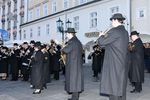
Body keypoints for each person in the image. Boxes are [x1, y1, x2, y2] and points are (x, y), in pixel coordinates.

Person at [98, 13, 129, 100]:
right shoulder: (125, 32)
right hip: (121, 63)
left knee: (113, 88)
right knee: (121, 88)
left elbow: (101, 42)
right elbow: (113, 44)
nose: (111, 23)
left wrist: (101, 36)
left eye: (112, 21)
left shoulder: (114, 31)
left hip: (113, 64)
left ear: (115, 20)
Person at [62, 28, 84, 100]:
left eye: (67, 34)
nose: (66, 35)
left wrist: (63, 47)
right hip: (77, 64)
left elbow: (66, 50)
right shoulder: (78, 41)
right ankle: (75, 97)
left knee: (73, 81)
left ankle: (74, 98)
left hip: (72, 64)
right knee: (76, 81)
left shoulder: (72, 42)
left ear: (70, 34)